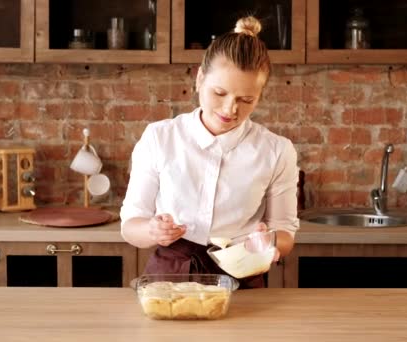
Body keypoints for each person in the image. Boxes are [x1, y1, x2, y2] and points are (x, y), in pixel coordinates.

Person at [120, 16, 299, 289]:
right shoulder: (159, 138)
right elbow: (131, 225)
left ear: (260, 96)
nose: (230, 109)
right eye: (219, 92)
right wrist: (152, 230)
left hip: (242, 283)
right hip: (168, 282)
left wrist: (270, 242)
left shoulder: (276, 150)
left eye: (246, 100)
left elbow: (284, 232)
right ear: (200, 78)